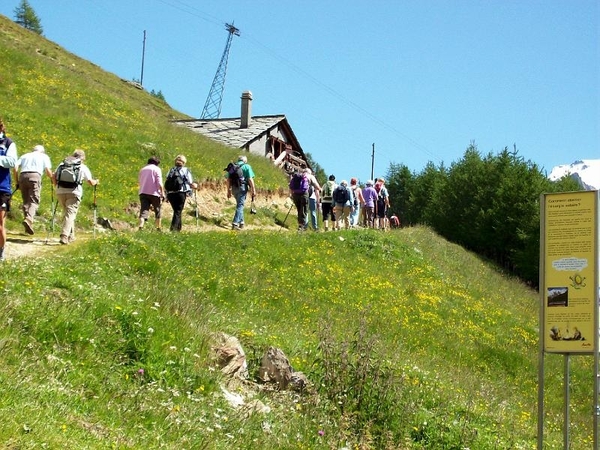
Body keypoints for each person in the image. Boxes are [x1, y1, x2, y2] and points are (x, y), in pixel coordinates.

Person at [55, 149, 99, 245]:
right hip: (74, 192)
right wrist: (96, 182)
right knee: (70, 214)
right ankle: (64, 235)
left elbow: (54, 177)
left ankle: (71, 236)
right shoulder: (82, 167)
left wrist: (57, 188)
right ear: (82, 158)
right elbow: (91, 182)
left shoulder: (62, 165)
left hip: (60, 191)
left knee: (67, 213)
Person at [13, 144, 53, 235]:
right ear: (42, 151)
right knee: (34, 200)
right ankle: (29, 219)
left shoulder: (24, 156)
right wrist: (52, 177)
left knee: (26, 201)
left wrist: (17, 182)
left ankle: (28, 226)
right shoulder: (44, 156)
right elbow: (48, 170)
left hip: (22, 176)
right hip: (35, 176)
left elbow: (15, 168)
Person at [165, 154, 197, 232]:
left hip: (170, 193)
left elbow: (167, 180)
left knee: (177, 211)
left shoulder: (171, 170)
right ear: (184, 162)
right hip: (180, 193)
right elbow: (190, 182)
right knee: (178, 211)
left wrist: (166, 194)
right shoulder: (186, 170)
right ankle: (173, 230)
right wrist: (194, 186)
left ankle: (178, 228)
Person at [0, 118, 17, 261]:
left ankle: (1, 251)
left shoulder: (8, 143)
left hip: (2, 188)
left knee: (0, 224)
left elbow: (12, 162)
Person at [226, 155, 256, 230]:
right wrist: (253, 189)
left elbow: (228, 180)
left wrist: (228, 190)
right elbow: (250, 179)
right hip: (242, 188)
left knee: (239, 204)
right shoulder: (247, 166)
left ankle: (242, 223)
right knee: (240, 205)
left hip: (233, 188)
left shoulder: (233, 167)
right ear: (245, 161)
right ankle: (235, 223)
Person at [138, 155, 164, 231]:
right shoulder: (157, 169)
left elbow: (140, 181)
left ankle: (140, 227)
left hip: (143, 192)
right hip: (154, 193)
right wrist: (162, 193)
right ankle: (158, 228)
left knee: (144, 210)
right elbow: (159, 183)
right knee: (157, 210)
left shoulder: (142, 169)